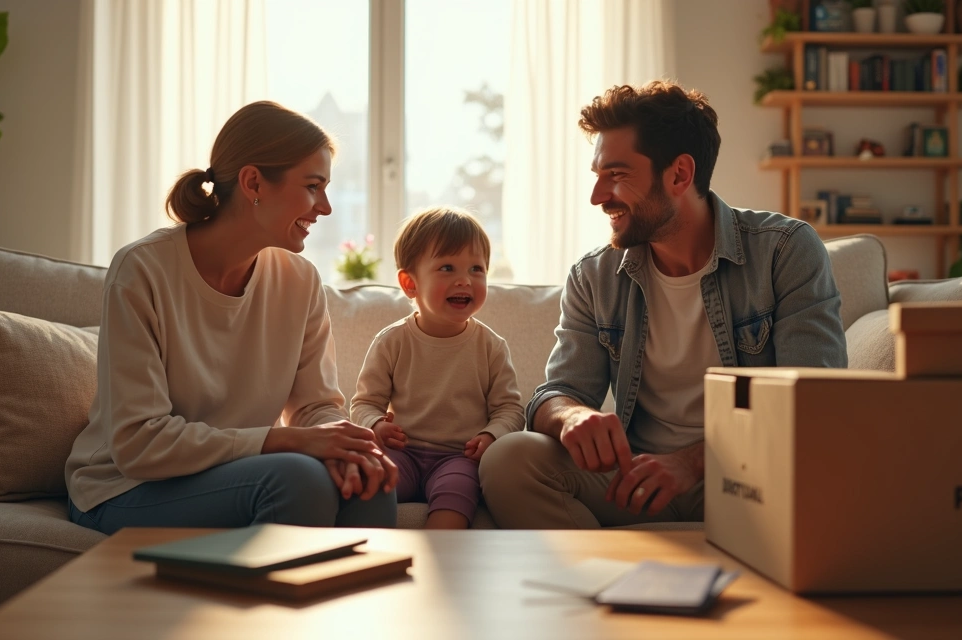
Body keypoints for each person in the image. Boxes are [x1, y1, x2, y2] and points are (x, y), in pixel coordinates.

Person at [480, 80, 847, 528]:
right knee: (510, 458)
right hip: (635, 477)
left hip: (751, 477)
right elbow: (555, 395)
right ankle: (602, 584)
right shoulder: (594, 277)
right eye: (597, 176)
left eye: (615, 175)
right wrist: (572, 416)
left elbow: (813, 403)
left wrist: (691, 464)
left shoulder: (784, 250)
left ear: (679, 175)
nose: (597, 197)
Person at [65, 101, 398, 535]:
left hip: (234, 474)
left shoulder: (298, 280)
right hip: (124, 488)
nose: (326, 207)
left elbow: (314, 407)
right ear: (253, 181)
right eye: (313, 186)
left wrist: (343, 445)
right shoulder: (143, 270)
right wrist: (284, 440)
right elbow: (139, 443)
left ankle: (357, 605)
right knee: (298, 480)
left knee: (370, 479)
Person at [350, 207, 525, 529]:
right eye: (447, 267)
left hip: (459, 458)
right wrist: (375, 423)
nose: (465, 280)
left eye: (477, 269)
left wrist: (491, 434)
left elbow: (510, 409)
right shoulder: (392, 341)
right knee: (368, 481)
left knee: (456, 491)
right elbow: (364, 403)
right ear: (409, 283)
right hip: (402, 453)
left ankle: (441, 560)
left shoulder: (491, 346)